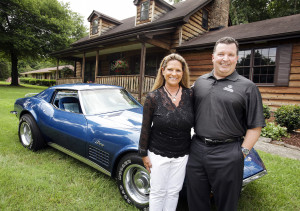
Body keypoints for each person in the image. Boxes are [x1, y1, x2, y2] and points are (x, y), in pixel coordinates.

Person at [186, 37, 266, 211]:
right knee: (195, 201)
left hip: (229, 152)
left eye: (231, 54)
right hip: (197, 149)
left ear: (236, 58)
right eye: (221, 53)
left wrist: (241, 154)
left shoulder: (248, 87)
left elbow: (255, 126)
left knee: (226, 205)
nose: (225, 58)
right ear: (212, 57)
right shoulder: (200, 83)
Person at [138, 53, 194, 211]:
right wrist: (143, 153)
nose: (174, 74)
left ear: (183, 72)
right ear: (163, 71)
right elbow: (145, 127)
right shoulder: (153, 97)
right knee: (158, 191)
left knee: (174, 192)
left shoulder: (190, 95)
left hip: (182, 154)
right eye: (170, 69)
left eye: (178, 70)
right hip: (158, 153)